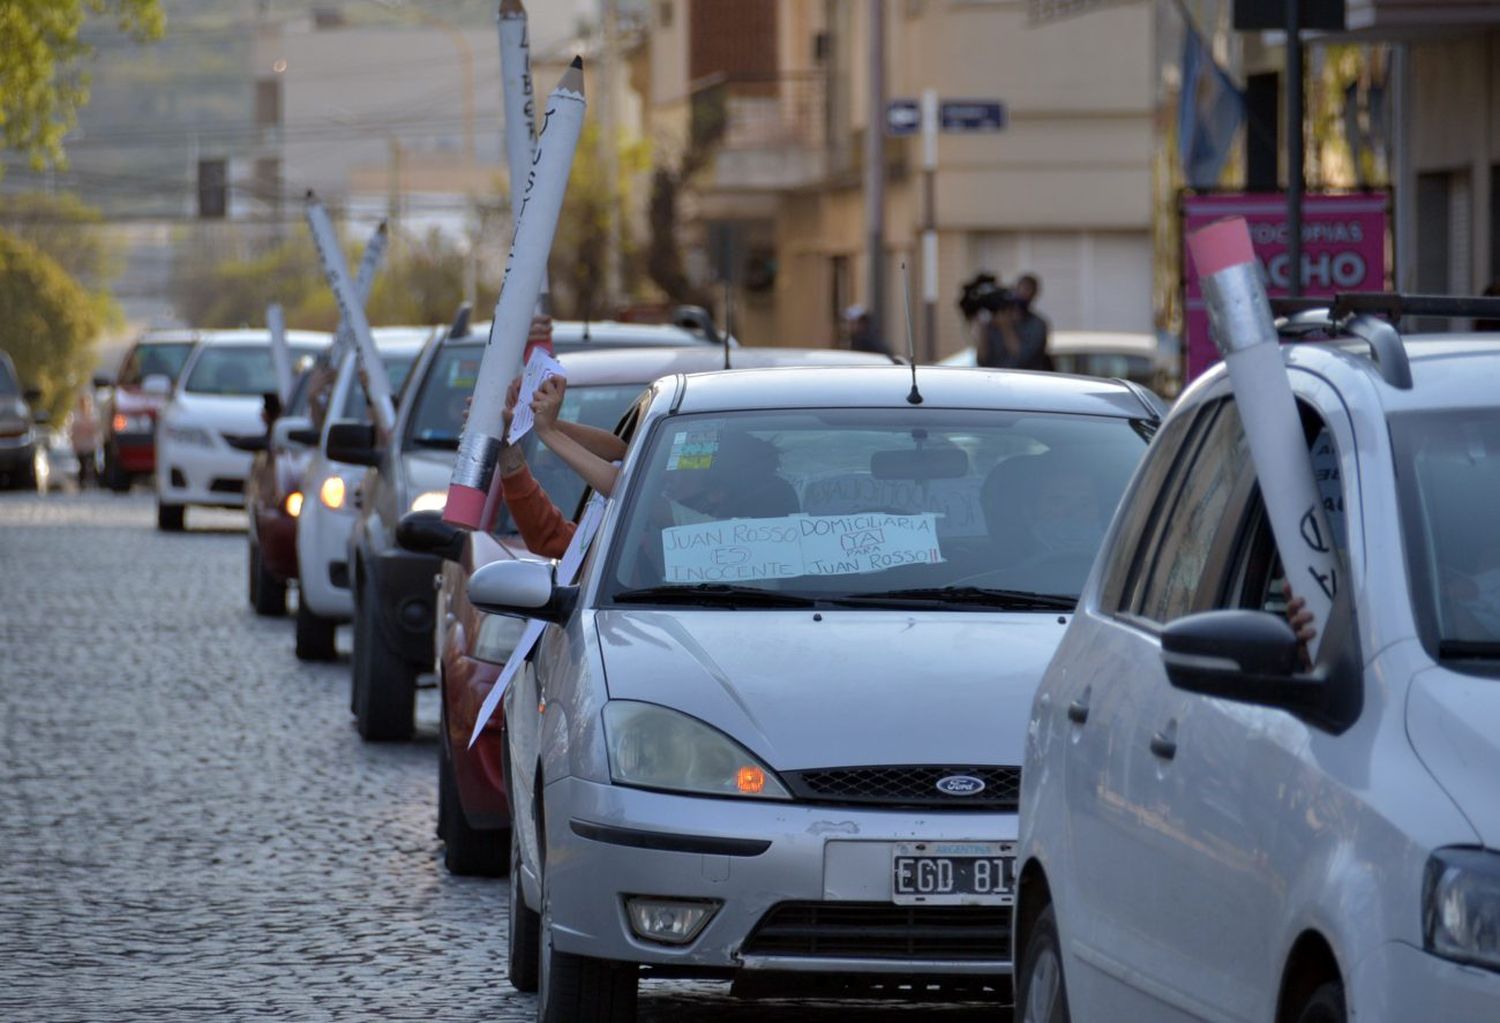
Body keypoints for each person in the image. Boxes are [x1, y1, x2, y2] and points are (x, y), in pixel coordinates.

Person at [978, 274, 1051, 371]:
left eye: (1027, 290)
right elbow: (982, 361)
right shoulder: (994, 325)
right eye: (1019, 290)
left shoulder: (1038, 325)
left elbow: (1022, 358)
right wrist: (982, 330)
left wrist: (1006, 328)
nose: (1022, 295)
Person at [68, 390, 100, 488]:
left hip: (90, 445)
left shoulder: (93, 414)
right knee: (82, 464)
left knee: (92, 464)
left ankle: (93, 481)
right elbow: (73, 431)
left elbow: (96, 428)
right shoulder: (76, 416)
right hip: (80, 445)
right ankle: (82, 482)